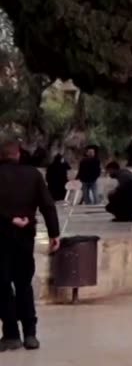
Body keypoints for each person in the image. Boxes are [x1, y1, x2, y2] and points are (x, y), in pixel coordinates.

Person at [0, 139, 61, 351]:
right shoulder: (33, 174)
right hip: (25, 237)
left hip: (2, 238)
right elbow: (47, 205)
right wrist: (54, 233)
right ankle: (30, 334)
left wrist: (8, 219)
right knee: (24, 285)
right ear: (18, 153)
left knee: (3, 286)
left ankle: (10, 334)